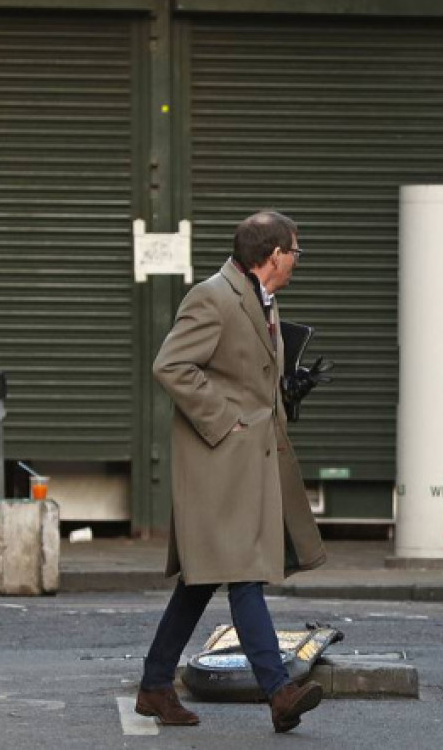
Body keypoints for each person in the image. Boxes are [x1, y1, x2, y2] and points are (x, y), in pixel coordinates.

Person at [135, 211, 328, 733]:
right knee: (244, 573)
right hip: (220, 463)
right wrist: (228, 421)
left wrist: (287, 390)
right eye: (295, 251)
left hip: (252, 462)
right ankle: (279, 691)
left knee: (203, 579)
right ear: (272, 256)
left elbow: (248, 373)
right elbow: (171, 365)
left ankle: (155, 685)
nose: (296, 261)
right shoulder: (213, 297)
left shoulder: (262, 299)